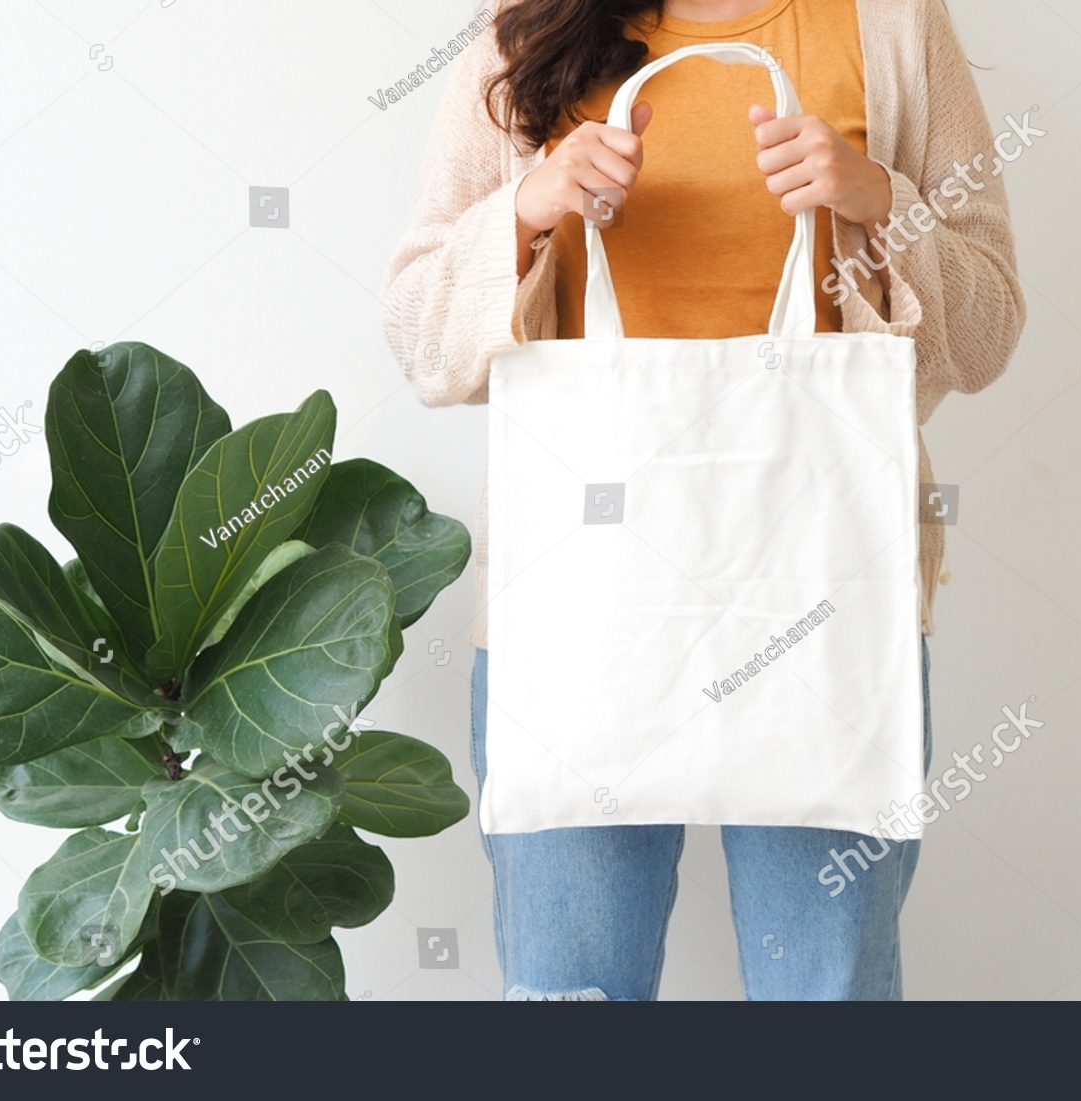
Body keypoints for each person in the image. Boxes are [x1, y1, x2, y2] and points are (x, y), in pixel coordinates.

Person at [382, 0, 1024, 1000]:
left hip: (824, 601)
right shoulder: (527, 35)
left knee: (828, 992)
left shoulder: (893, 27)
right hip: (577, 605)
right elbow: (424, 341)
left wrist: (880, 202)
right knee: (566, 997)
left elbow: (986, 332)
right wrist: (524, 210)